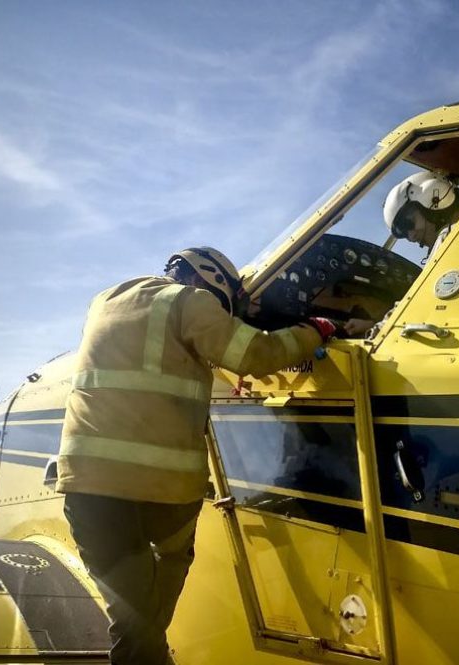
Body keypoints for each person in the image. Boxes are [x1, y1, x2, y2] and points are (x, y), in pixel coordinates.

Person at [57, 246, 335, 665]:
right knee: (148, 610)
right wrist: (314, 330)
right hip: (162, 496)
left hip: (87, 493)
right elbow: (254, 355)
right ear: (211, 279)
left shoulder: (106, 300)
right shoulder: (191, 301)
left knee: (135, 624)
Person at [344, 171, 459, 337]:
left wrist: (377, 330)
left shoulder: (450, 238)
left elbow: (420, 300)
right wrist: (374, 323)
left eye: (407, 223)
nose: (410, 236)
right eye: (402, 232)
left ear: (432, 196)